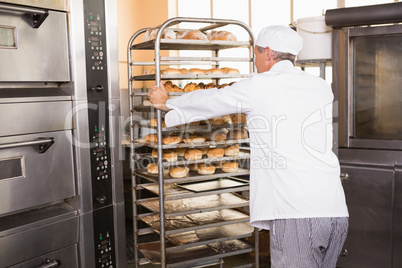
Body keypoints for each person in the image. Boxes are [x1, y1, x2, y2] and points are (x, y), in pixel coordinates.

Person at [148, 25, 349, 268]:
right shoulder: (319, 87)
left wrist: (168, 102)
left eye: (255, 55)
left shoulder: (259, 86)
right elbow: (292, 125)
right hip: (334, 210)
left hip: (296, 213)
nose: (255, 62)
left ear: (268, 53)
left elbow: (214, 99)